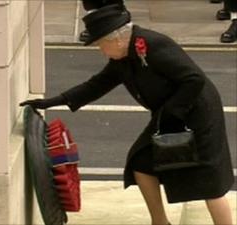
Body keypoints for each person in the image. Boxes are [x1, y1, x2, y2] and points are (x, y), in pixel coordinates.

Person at [20, 4, 234, 225]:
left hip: (197, 113)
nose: (101, 51)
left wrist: (172, 113)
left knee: (210, 182)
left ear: (117, 39)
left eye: (101, 44)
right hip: (167, 115)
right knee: (140, 163)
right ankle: (159, 222)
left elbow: (194, 79)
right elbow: (97, 85)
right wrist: (54, 101)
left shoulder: (154, 45)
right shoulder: (121, 58)